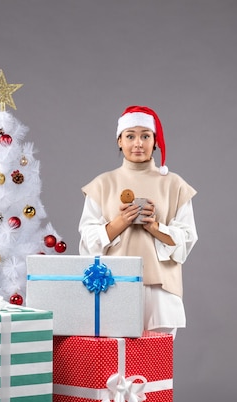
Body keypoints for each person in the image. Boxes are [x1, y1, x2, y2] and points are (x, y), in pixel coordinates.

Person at [79, 105, 198, 338]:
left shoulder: (174, 184)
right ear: (119, 141)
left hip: (161, 290)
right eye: (130, 136)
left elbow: (187, 238)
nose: (138, 143)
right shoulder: (103, 184)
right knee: (115, 363)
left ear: (155, 141)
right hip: (114, 285)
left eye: (145, 136)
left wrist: (154, 226)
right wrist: (120, 222)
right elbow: (87, 241)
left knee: (156, 366)